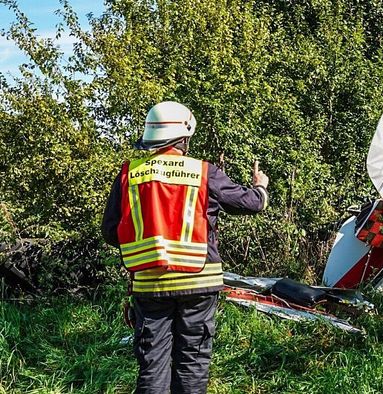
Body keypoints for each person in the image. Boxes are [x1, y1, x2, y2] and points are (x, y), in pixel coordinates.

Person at [101, 101, 269, 393]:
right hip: (199, 283)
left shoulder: (130, 174)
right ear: (185, 135)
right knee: (192, 362)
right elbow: (251, 203)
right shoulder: (204, 172)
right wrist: (261, 186)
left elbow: (111, 232)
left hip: (150, 286)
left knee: (152, 365)